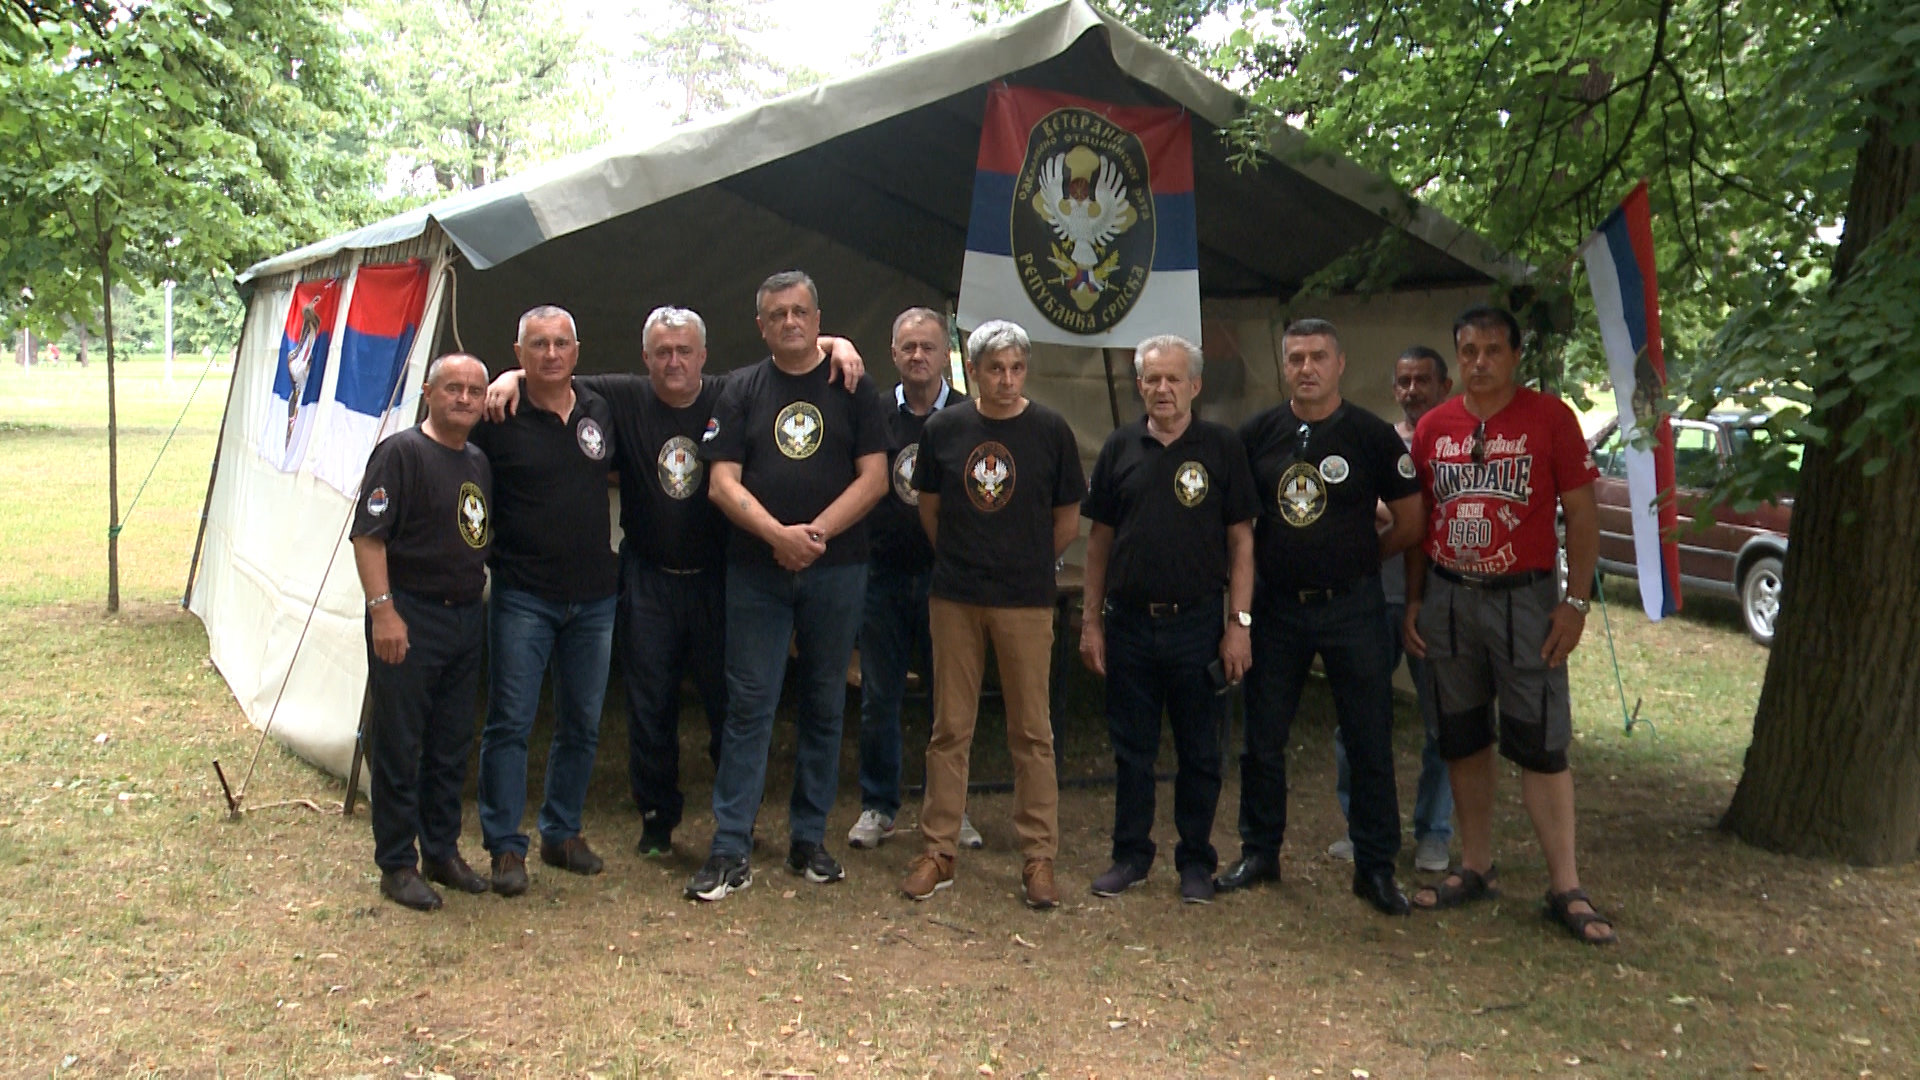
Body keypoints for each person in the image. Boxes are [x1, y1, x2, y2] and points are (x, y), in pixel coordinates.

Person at [483, 313, 864, 860]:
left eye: (685, 350)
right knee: (649, 705)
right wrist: (508, 378)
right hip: (647, 576)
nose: (674, 362)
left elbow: (789, 352)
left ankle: (737, 815)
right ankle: (657, 818)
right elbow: (553, 374)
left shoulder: (732, 392)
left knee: (728, 704)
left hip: (719, 576)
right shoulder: (623, 397)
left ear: (705, 356)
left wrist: (839, 342)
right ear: (645, 359)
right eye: (662, 352)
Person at [1403, 305, 1615, 945]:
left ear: (1515, 355)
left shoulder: (1551, 419)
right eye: (1468, 351)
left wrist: (1575, 604)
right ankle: (1475, 864)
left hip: (1526, 600)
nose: (1480, 362)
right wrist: (1414, 602)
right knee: (1463, 736)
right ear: (1456, 357)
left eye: (1494, 350)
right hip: (1449, 596)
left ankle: (1565, 885)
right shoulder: (1433, 427)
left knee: (1542, 744)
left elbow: (1581, 516)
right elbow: (1420, 525)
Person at [686, 270, 890, 902]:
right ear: (761, 325)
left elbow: (877, 478)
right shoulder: (740, 390)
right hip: (756, 571)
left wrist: (816, 535)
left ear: (818, 316)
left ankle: (809, 840)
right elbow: (721, 482)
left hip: (838, 569)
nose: (790, 323)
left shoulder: (852, 384)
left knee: (826, 704)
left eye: (801, 311)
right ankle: (730, 849)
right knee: (750, 706)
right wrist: (778, 535)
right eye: (778, 315)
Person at [1218, 318, 1425, 916]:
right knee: (1263, 737)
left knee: (1368, 737)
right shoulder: (1257, 433)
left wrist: (1360, 559)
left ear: (1340, 364)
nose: (1306, 368)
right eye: (1295, 358)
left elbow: (1410, 524)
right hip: (1277, 606)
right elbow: (1239, 529)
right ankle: (1259, 851)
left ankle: (1376, 867)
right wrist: (1241, 611)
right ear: (1283, 366)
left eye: (1318, 357)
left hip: (1353, 605)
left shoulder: (1371, 436)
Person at [900, 319, 1085, 910]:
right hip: (955, 596)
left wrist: (1023, 565)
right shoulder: (945, 429)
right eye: (994, 369)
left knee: (1032, 731)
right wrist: (965, 561)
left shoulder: (1051, 430)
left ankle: (1038, 857)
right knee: (949, 728)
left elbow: (1066, 520)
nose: (1006, 380)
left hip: (1025, 602)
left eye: (1016, 368)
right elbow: (930, 510)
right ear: (973, 371)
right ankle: (939, 849)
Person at [1079, 335, 1256, 905]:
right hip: (1129, 623)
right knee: (1131, 749)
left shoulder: (1221, 447)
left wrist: (1240, 623)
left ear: (1195, 386)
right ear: (1139, 386)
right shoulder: (1118, 447)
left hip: (1198, 623)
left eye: (1173, 379)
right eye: (1152, 379)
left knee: (1200, 750)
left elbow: (1241, 543)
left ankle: (1196, 861)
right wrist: (1090, 621)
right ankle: (1130, 855)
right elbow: (1098, 542)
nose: (1162, 389)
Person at [469, 306, 618, 897]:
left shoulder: (600, 409)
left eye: (560, 344)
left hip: (595, 598)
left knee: (581, 723)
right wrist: (502, 380)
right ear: (520, 350)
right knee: (510, 724)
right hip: (523, 595)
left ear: (577, 351)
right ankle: (506, 846)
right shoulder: (496, 413)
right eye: (537, 345)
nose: (550, 354)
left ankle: (562, 833)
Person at [350, 353, 494, 911]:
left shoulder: (477, 460)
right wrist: (383, 612)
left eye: (474, 390)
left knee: (451, 743)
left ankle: (441, 850)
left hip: (464, 617)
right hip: (409, 615)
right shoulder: (402, 453)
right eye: (452, 387)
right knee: (401, 743)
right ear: (428, 392)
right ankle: (398, 863)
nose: (464, 398)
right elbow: (369, 537)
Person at [846, 308, 987, 852]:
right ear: (894, 352)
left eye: (928, 346)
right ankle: (878, 806)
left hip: (947, 579)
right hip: (881, 574)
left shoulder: (971, 416)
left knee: (948, 700)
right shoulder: (875, 415)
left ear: (944, 353)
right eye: (908, 347)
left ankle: (951, 807)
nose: (918, 357)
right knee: (879, 695)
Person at [1329, 346, 1457, 873]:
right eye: (1402, 381)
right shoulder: (1374, 441)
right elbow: (1358, 505)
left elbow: (1434, 515)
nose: (1411, 390)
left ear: (1443, 386)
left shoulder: (1456, 443)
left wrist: (1399, 511)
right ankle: (1363, 827)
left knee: (1443, 725)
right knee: (1356, 720)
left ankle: (1434, 832)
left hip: (1438, 601)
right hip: (1375, 600)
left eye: (1422, 380)